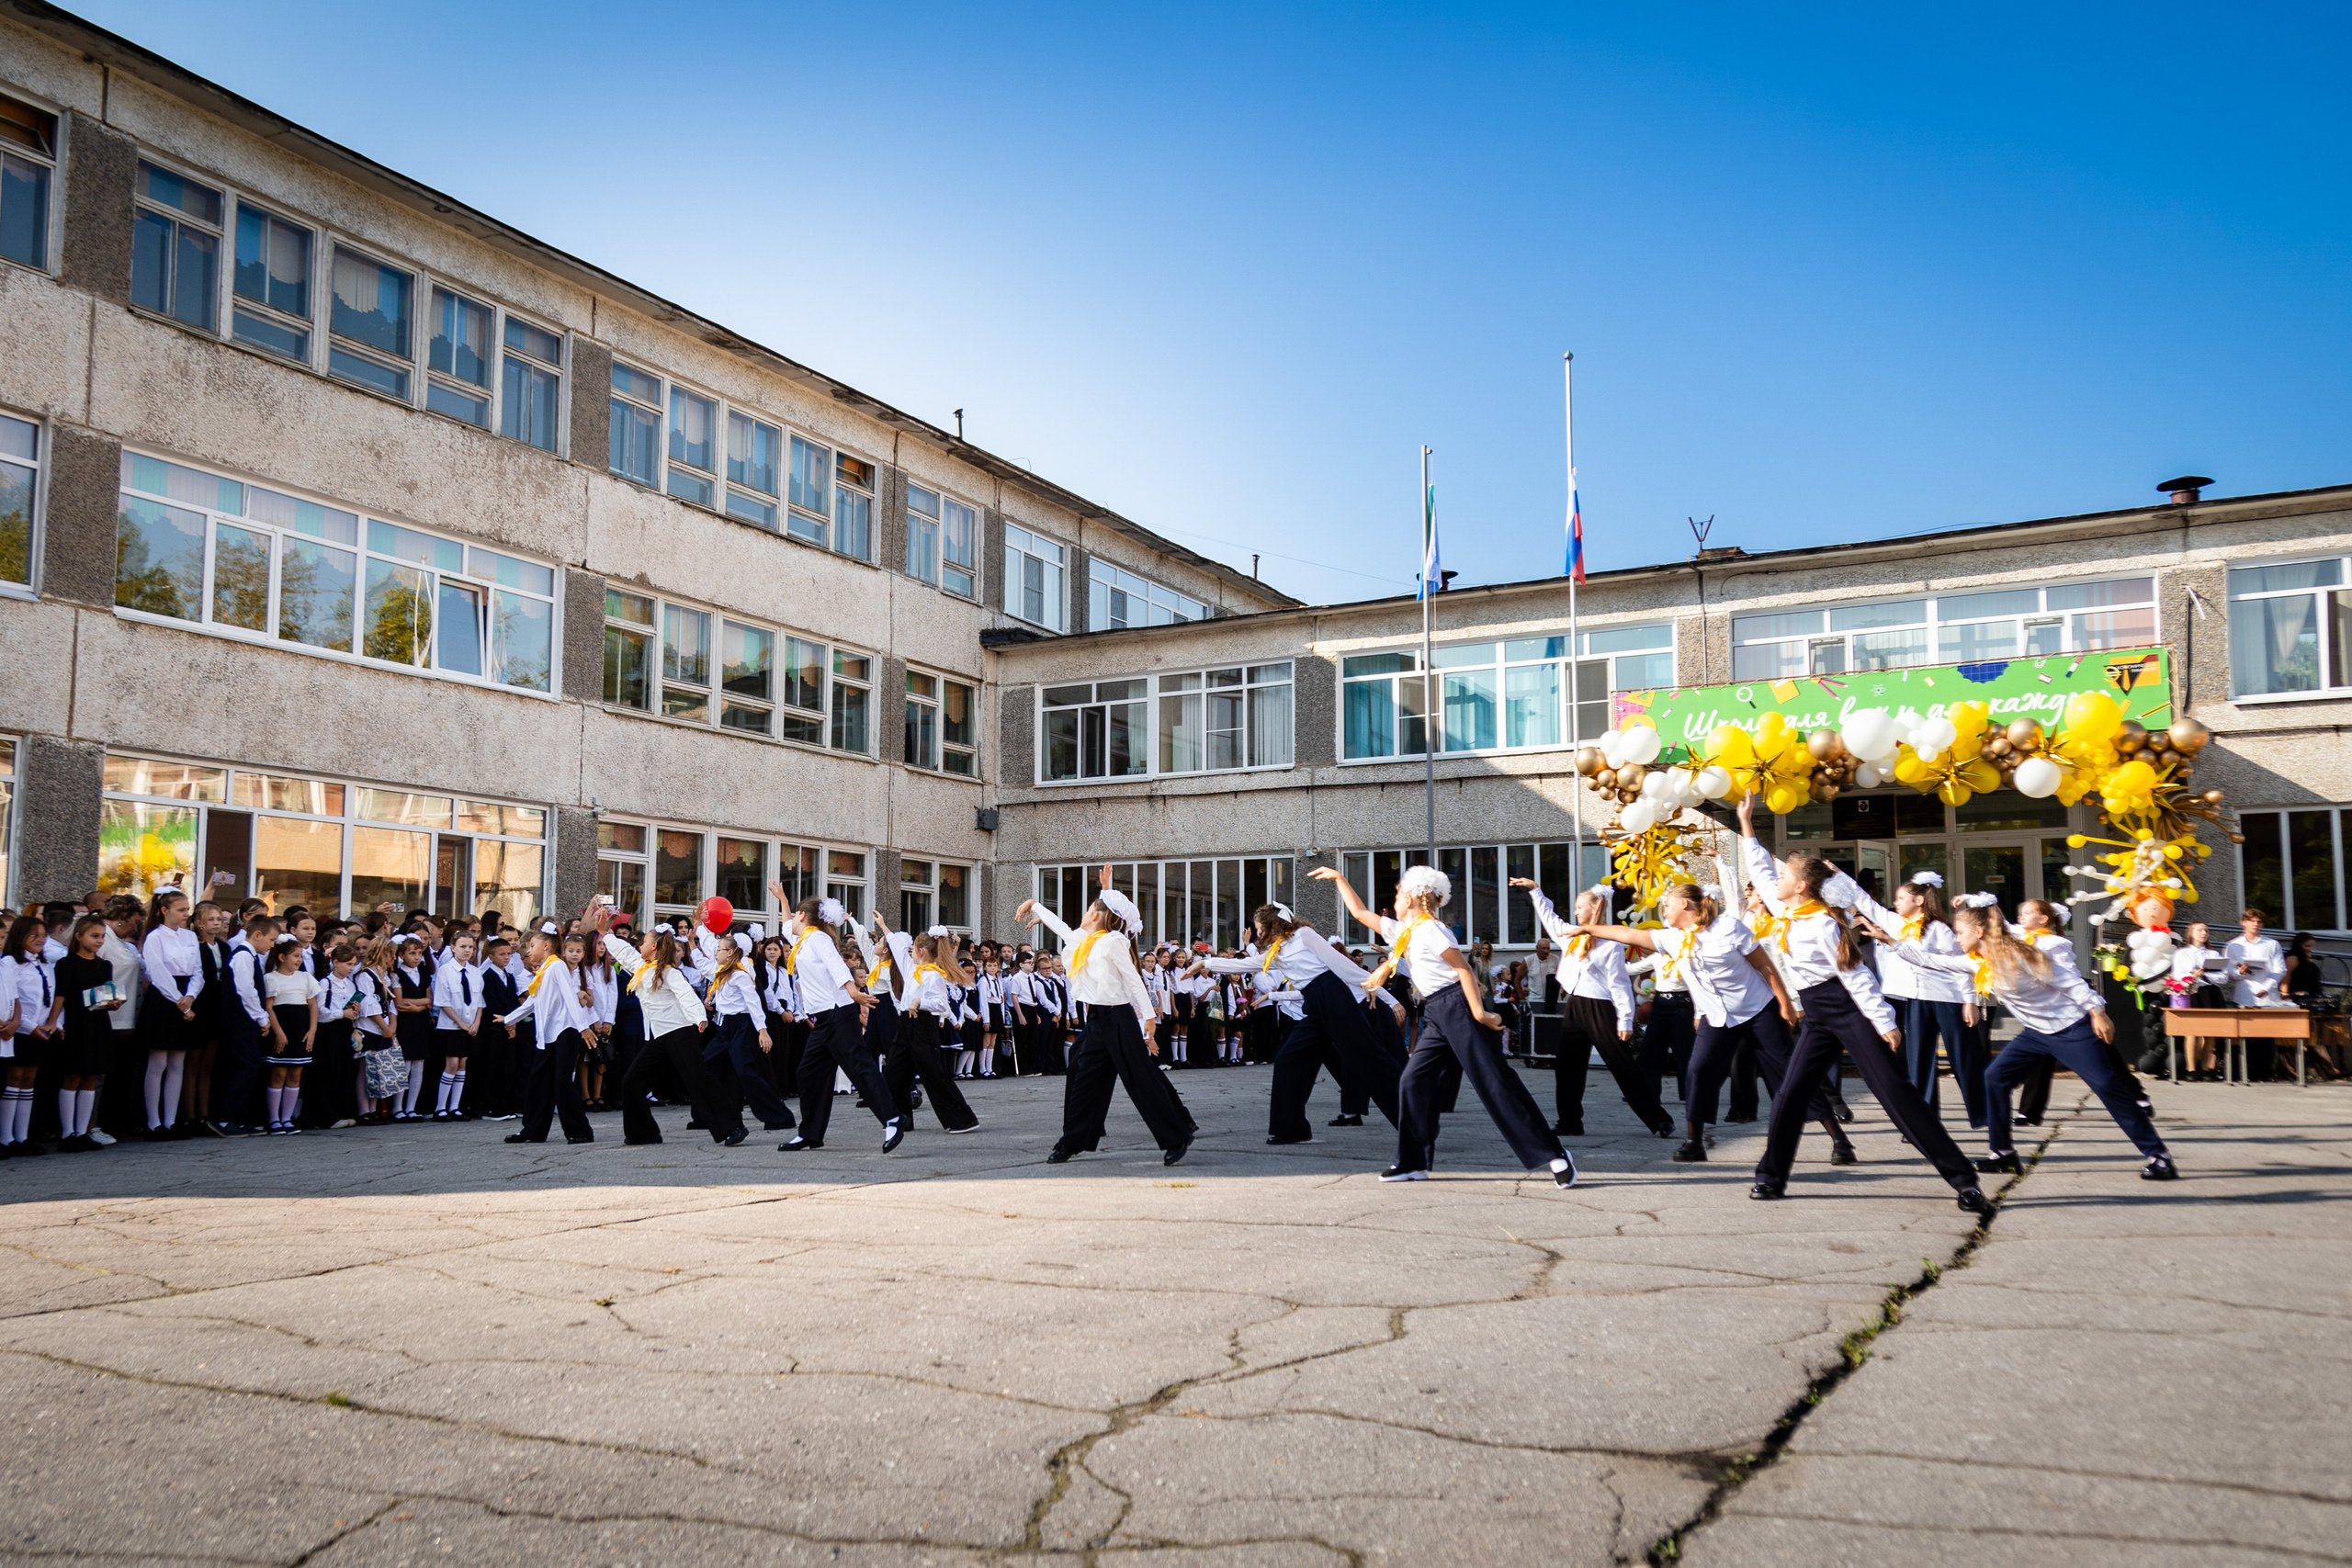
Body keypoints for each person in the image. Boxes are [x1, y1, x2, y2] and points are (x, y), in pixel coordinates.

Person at [1736, 792, 1987, 1211]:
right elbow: (1761, 868)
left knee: (1895, 1093)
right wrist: (1746, 824)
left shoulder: (1821, 924)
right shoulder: (1787, 912)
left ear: (1800, 887)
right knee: (1790, 1095)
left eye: (1784, 878)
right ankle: (1771, 1177)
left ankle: (1964, 1180)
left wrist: (1885, 1023)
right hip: (1818, 1016)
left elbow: (1857, 980)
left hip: (1850, 1011)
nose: (1772, 884)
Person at [1867, 900, 2178, 1181]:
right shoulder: (1980, 962)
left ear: (1979, 930)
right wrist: (1891, 941)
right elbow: (1933, 961)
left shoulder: (2020, 956)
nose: (1957, 938)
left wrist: (2097, 1012)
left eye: (1960, 932)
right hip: (2035, 1033)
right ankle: (2002, 1154)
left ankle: (2159, 1156)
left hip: (2070, 1029)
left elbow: (2070, 982)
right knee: (1995, 1078)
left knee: (2108, 1087)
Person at [1317, 863, 1576, 1188]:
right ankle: (1413, 1162)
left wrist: (1480, 1014)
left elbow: (1464, 970)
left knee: (1495, 1083)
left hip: (1458, 1006)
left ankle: (1554, 1154)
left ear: (1412, 897)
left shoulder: (1432, 930)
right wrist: (1340, 878)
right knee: (1412, 1080)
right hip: (1438, 1011)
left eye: (1398, 892)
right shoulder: (1404, 931)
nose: (1394, 898)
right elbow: (1360, 913)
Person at [1572, 882, 1854, 1166]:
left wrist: (1784, 1003)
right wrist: (1587, 929)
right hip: (1716, 1017)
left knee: (1789, 1075)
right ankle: (1694, 1142)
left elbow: (1764, 965)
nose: (1664, 910)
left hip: (1757, 1011)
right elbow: (1627, 933)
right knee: (1698, 1071)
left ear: (1684, 904)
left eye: (1667, 904)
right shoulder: (1672, 938)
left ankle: (1839, 1140)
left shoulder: (1729, 928)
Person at [1017, 865, 1193, 1166]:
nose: (1085, 912)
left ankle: (1177, 1135)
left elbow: (1133, 980)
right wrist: (1036, 905)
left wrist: (1148, 1018)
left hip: (1120, 1018)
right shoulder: (1084, 940)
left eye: (1089, 908)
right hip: (1098, 1019)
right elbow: (1061, 927)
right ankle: (1074, 1139)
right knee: (1079, 1069)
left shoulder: (1113, 942)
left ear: (1097, 915)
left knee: (1140, 1078)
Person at [1189, 901, 1401, 1145]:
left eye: (1259, 928)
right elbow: (1242, 964)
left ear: (1271, 925)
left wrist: (1388, 998)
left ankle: (1415, 1119)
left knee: (1369, 1058)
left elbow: (1341, 964)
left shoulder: (1304, 935)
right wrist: (1204, 964)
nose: (1257, 934)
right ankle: (1291, 1129)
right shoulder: (1275, 953)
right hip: (1314, 1005)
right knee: (1289, 1059)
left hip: (1334, 999)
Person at [1513, 878, 1672, 1139]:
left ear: (1594, 908)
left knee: (1622, 1065)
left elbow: (1619, 984)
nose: (1575, 912)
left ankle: (1659, 1120)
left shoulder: (1610, 945)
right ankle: (1570, 1122)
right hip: (1575, 1005)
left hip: (1600, 1008)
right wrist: (1536, 891)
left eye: (1579, 907)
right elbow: (1550, 919)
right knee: (1566, 1066)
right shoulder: (1572, 937)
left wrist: (1625, 1020)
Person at [775, 890, 901, 1153]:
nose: (789, 922)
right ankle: (810, 1134)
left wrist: (854, 992)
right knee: (808, 1073)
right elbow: (786, 924)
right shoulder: (802, 940)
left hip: (838, 1014)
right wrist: (784, 900)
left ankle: (893, 1118)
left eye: (794, 913)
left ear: (804, 916)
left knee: (861, 1068)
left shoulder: (818, 938)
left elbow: (838, 965)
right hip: (823, 1020)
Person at [600, 911, 742, 1145]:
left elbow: (686, 994)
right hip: (658, 1039)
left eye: (644, 942)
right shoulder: (643, 966)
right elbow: (624, 953)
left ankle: (732, 1128)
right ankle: (643, 1134)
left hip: (680, 1034)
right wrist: (604, 934)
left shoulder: (668, 971)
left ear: (653, 946)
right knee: (632, 1082)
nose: (640, 946)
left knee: (698, 1080)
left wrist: (699, 1017)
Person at [1870, 871, 1984, 1127]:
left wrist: (1969, 1001)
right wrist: (1837, 877)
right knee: (1918, 1059)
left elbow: (1960, 965)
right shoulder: (1899, 924)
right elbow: (1867, 905)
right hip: (1918, 999)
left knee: (1963, 1058)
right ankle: (1924, 1120)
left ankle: (1983, 1115)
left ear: (1919, 901)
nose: (1896, 902)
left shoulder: (1939, 929)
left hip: (1949, 999)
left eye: (1901, 898)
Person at [503, 919, 598, 1145]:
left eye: (532, 945)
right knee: (539, 1081)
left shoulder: (556, 966)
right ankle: (532, 1131)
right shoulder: (545, 969)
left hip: (565, 1030)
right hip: (547, 1034)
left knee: (562, 1081)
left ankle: (580, 1130)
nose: (528, 950)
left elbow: (569, 995)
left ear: (545, 946)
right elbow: (533, 1001)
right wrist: (508, 1019)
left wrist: (583, 1027)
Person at [886, 925, 981, 1134]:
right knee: (894, 1072)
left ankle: (962, 1119)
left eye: (913, 949)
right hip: (905, 1024)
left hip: (922, 1025)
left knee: (933, 1074)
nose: (910, 952)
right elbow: (897, 949)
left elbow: (942, 1006)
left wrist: (920, 1002)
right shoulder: (912, 969)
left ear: (920, 951)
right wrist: (884, 926)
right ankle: (901, 1119)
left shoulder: (934, 975)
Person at [52, 914, 125, 1152]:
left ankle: (83, 1131)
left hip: (97, 1023)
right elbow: (60, 996)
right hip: (74, 1024)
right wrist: (53, 1022)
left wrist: (113, 1003)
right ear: (79, 936)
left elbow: (104, 995)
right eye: (95, 936)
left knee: (90, 1078)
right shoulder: (67, 964)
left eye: (102, 937)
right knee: (72, 1076)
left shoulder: (104, 965)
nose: (99, 941)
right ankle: (67, 1133)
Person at [138, 886, 203, 1139]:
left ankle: (170, 1120)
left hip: (187, 995)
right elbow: (157, 972)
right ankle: (153, 1122)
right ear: (164, 910)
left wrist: (191, 997)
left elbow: (198, 971)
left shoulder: (189, 937)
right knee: (158, 1062)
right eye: (181, 910)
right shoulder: (155, 937)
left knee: (178, 1061)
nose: (186, 914)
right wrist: (180, 1001)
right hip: (165, 1000)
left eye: (187, 909)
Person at [2, 913, 58, 1154]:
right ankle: (6, 1138)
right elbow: (14, 999)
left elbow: (51, 998)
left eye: (44, 935)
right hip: (21, 1030)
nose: (40, 940)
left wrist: (54, 1023)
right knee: (14, 1079)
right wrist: (28, 1026)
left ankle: (22, 1136)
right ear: (20, 936)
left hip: (40, 1030)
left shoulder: (44, 964)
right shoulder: (11, 964)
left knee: (29, 1081)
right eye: (34, 935)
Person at [260, 935, 319, 1133]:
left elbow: (312, 1005)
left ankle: (287, 1118)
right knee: (278, 1073)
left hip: (301, 1030)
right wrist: (278, 1033)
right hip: (282, 1030)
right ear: (282, 957)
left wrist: (312, 1031)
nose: (299, 960)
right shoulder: (270, 978)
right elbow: (269, 1008)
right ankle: (274, 1119)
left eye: (301, 956)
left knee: (296, 1074)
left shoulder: (305, 977)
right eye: (295, 955)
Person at [428, 930, 483, 1122]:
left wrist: (475, 1023)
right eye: (463, 947)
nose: (468, 951)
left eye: (471, 947)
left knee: (462, 1064)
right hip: (450, 1026)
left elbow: (479, 1002)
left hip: (470, 1026)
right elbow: (443, 1001)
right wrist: (460, 1022)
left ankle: (455, 1106)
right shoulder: (445, 970)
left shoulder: (475, 972)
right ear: (453, 947)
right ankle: (440, 1107)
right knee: (451, 1063)